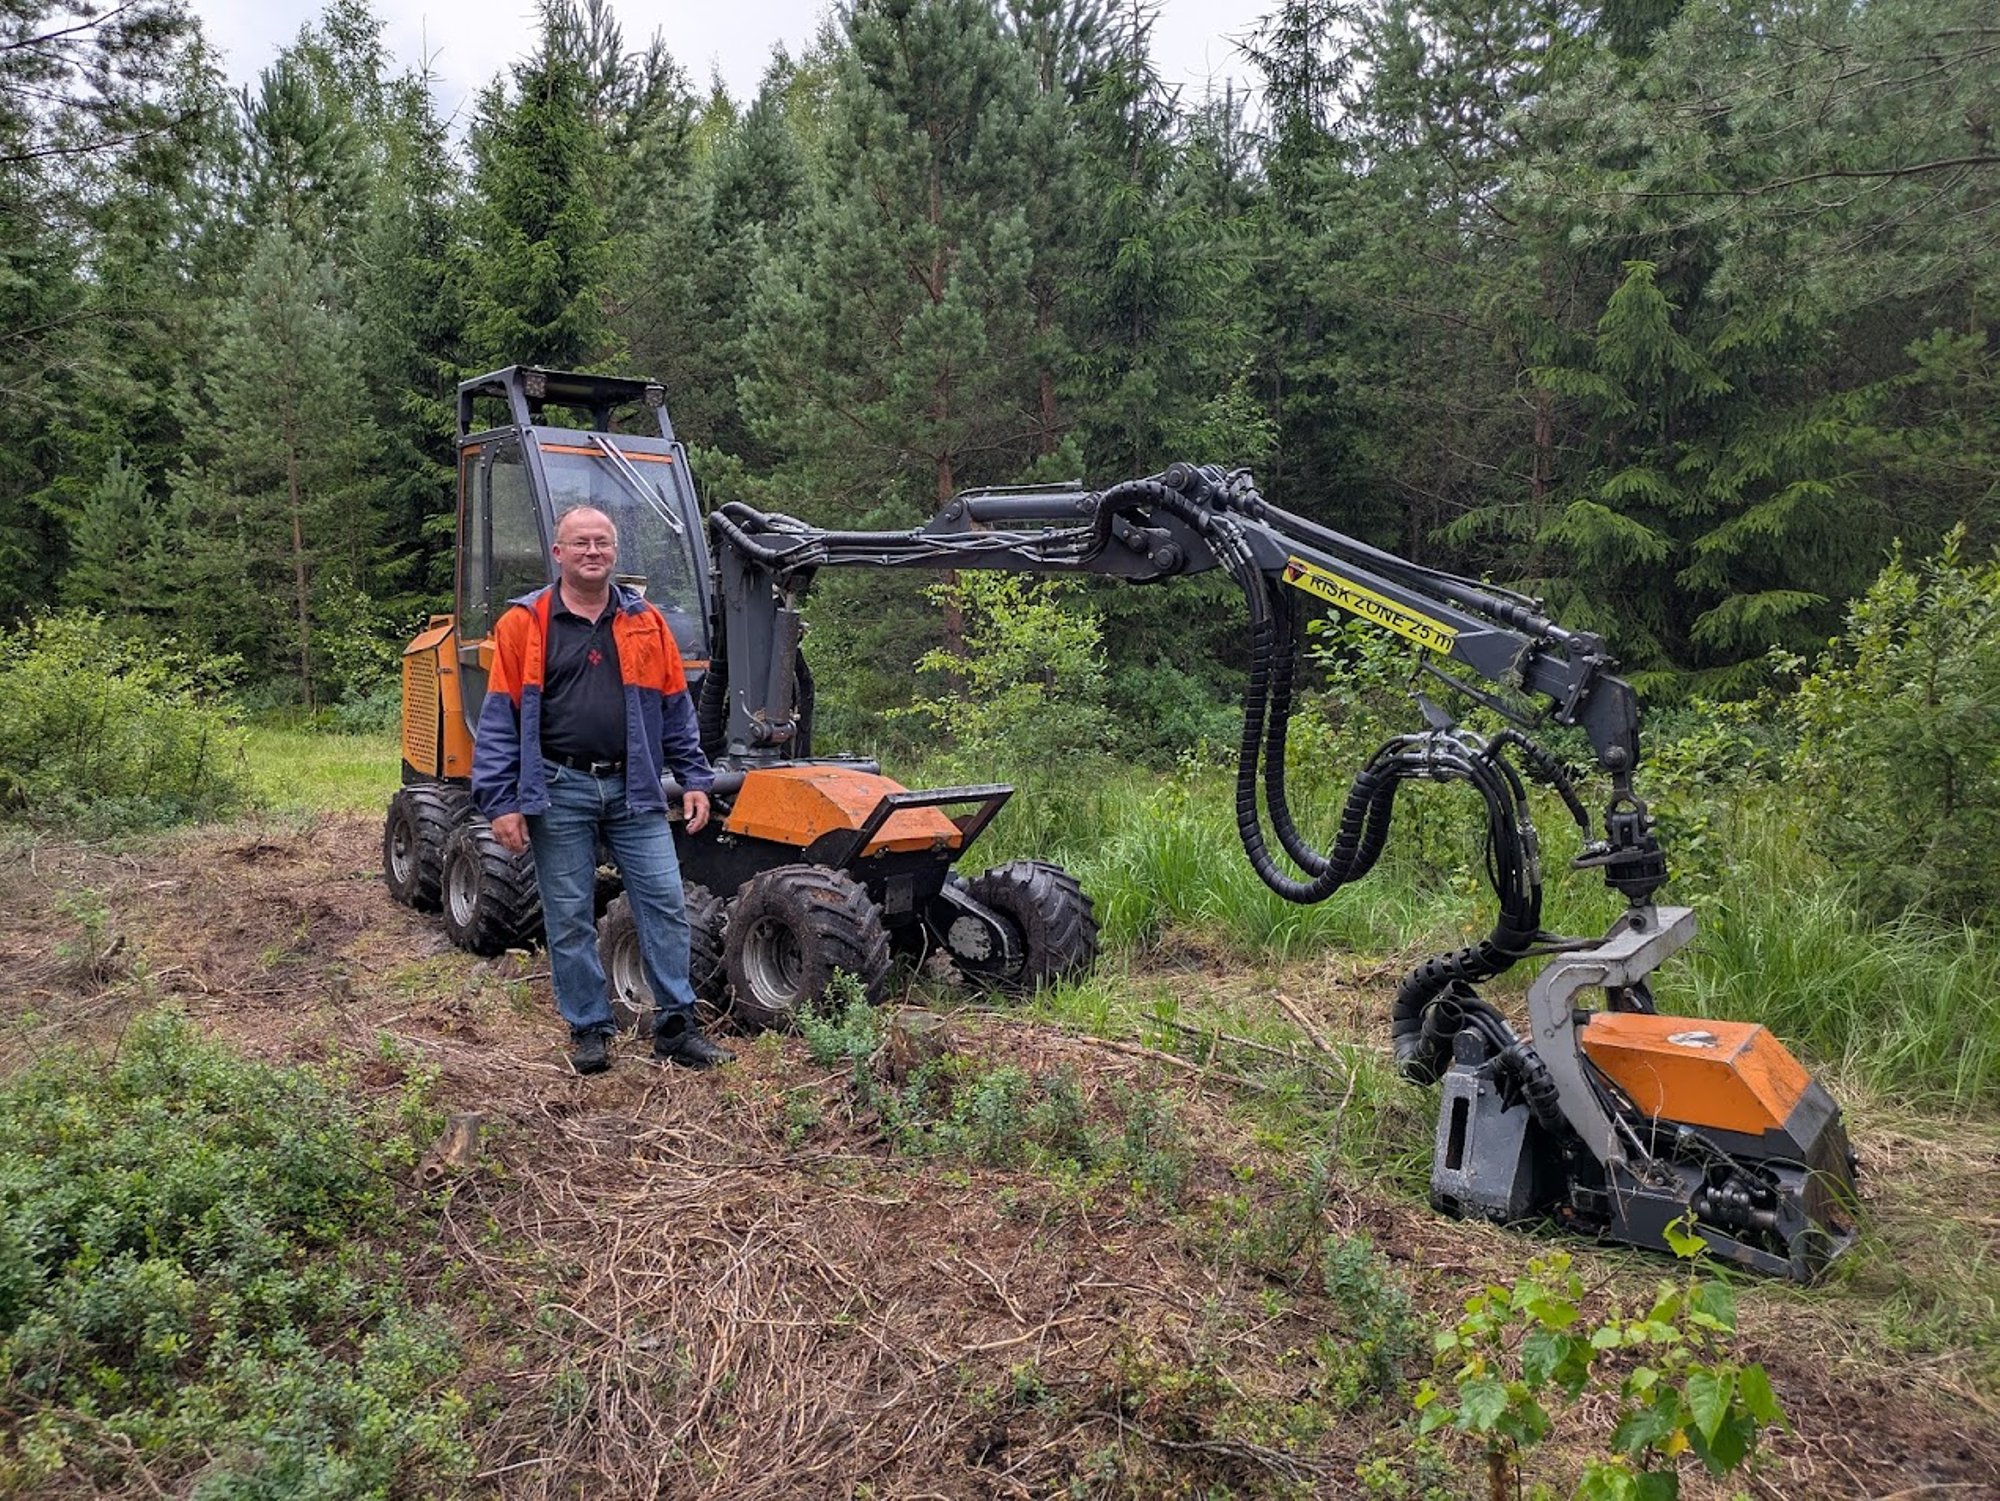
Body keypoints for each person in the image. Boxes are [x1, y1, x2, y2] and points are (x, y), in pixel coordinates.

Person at [470, 504, 733, 1074]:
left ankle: (676, 1027)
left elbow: (675, 709)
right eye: (580, 543)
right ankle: (589, 1029)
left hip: (633, 786)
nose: (592, 551)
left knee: (664, 903)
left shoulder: (646, 622)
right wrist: (501, 800)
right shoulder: (525, 624)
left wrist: (694, 778)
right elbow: (499, 720)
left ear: (614, 552)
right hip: (558, 787)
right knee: (569, 916)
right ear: (558, 553)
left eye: (602, 543)